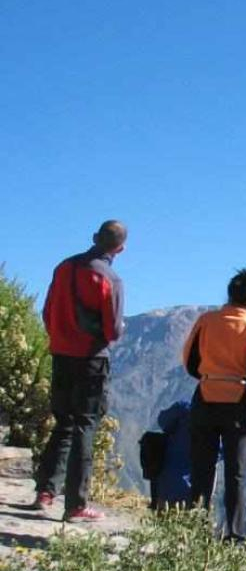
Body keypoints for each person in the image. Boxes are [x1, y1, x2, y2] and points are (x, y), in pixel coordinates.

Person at [32, 220, 128, 521]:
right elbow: (112, 330)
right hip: (91, 359)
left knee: (63, 422)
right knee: (85, 425)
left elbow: (48, 311)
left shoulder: (63, 269)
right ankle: (75, 504)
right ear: (120, 249)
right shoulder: (110, 279)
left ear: (95, 237)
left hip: (61, 354)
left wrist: (60, 336)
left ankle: (45, 491)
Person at [181, 268, 246, 540]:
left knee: (201, 466)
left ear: (229, 294)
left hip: (205, 396)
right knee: (236, 472)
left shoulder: (206, 321)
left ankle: (194, 528)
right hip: (236, 401)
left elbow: (188, 359)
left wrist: (208, 377)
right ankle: (234, 534)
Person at [151, 400, 196, 509]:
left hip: (165, 483)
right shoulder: (216, 424)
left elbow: (162, 421)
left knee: (162, 519)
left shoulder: (183, 408)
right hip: (192, 489)